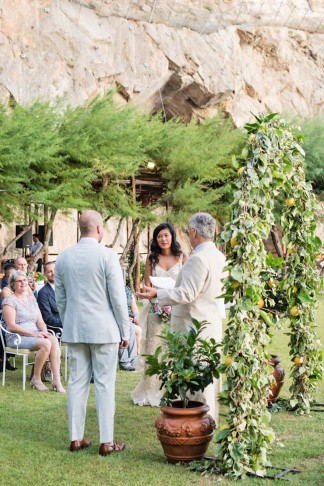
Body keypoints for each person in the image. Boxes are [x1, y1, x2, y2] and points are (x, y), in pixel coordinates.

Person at [136, 213, 226, 421]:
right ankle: (208, 419)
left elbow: (187, 293)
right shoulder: (219, 257)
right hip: (211, 325)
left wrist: (157, 294)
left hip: (193, 326)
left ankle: (199, 423)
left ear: (194, 232)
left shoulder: (197, 259)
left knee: (196, 379)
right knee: (209, 379)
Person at [55, 210, 130, 456]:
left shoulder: (63, 257)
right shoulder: (107, 255)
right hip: (104, 329)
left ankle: (75, 438)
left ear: (80, 228)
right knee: (105, 384)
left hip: (75, 329)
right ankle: (106, 441)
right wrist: (124, 330)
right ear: (99, 229)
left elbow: (61, 299)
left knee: (76, 383)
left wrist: (70, 322)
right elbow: (118, 299)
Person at [131, 222, 187, 406]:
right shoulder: (151, 258)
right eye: (159, 236)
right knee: (154, 348)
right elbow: (146, 284)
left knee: (173, 348)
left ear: (172, 237)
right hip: (155, 309)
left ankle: (172, 389)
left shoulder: (182, 258)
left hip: (177, 309)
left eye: (166, 235)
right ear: (156, 239)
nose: (163, 239)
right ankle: (152, 390)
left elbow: (185, 286)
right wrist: (149, 295)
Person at [2, 270, 65, 392]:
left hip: (35, 334)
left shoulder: (31, 299)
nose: (23, 283)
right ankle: (36, 378)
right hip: (17, 336)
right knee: (46, 343)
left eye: (24, 280)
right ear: (12, 284)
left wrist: (44, 332)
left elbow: (40, 321)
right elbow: (12, 325)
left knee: (53, 339)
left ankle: (56, 379)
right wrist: (35, 334)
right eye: (19, 281)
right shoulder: (9, 301)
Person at [37, 262, 62, 333]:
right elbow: (48, 318)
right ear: (45, 274)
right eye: (49, 271)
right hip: (58, 328)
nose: (53, 273)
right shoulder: (43, 292)